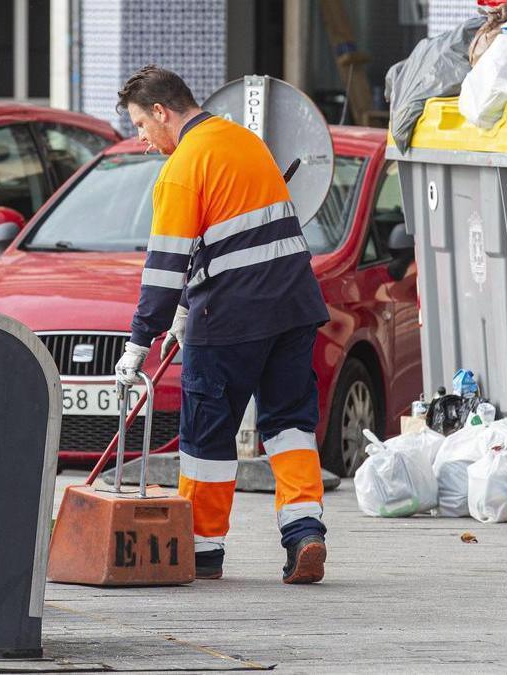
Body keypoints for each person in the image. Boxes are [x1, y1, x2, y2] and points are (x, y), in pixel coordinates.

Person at [112, 66, 331, 584]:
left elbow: (164, 266)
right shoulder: (244, 142)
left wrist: (138, 343)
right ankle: (305, 531)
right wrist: (186, 307)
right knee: (289, 424)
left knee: (207, 434)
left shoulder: (183, 167)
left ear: (162, 112)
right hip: (295, 307)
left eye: (142, 125)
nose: (142, 140)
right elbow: (234, 237)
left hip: (230, 316)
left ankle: (204, 550)